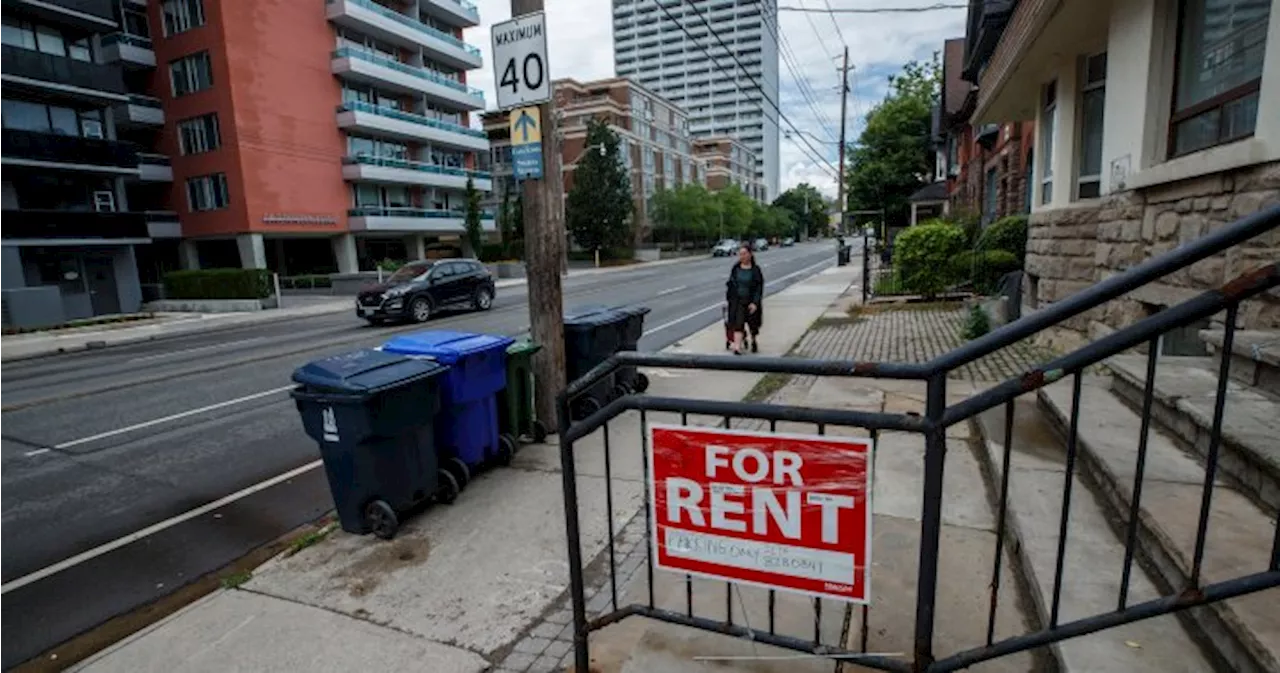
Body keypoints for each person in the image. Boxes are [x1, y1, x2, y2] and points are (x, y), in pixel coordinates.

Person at [724, 243, 764, 355]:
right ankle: (737, 347)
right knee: (738, 323)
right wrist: (728, 300)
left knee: (753, 325)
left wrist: (755, 303)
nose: (742, 256)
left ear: (750, 254)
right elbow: (730, 285)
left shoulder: (756, 270)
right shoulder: (736, 269)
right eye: (740, 254)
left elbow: (758, 288)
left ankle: (753, 340)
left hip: (751, 301)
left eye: (744, 254)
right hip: (738, 301)